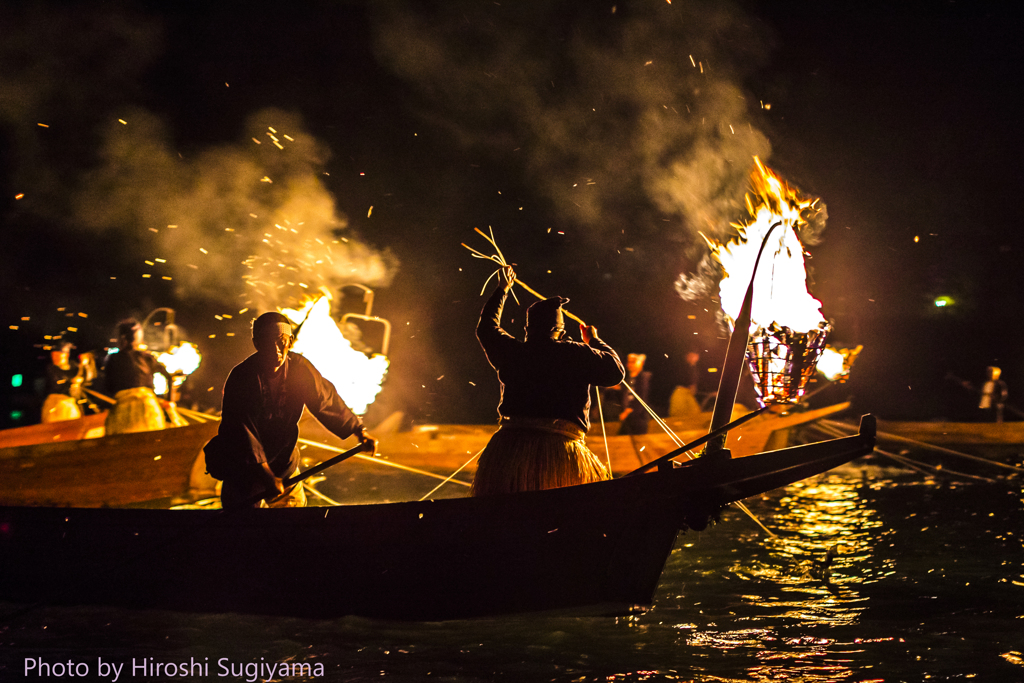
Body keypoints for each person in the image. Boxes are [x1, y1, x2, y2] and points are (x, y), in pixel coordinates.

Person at [472, 265, 625, 496]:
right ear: (560, 331)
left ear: (528, 330)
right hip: (561, 453)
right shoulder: (575, 352)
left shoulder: (514, 352)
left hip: (508, 452)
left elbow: (487, 328)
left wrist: (502, 290)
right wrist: (594, 341)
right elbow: (616, 372)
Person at [203, 311, 378, 510]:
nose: (276, 350)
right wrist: (267, 476)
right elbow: (242, 433)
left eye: (281, 342)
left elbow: (326, 400)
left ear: (291, 341)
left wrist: (359, 430)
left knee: (294, 524)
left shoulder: (300, 369)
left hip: (283, 462)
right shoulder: (242, 378)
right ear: (257, 343)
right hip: (244, 468)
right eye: (268, 342)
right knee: (242, 529)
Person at [103, 319, 179, 434]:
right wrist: (168, 401)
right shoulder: (147, 357)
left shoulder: (112, 359)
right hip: (147, 408)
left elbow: (108, 387)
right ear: (138, 336)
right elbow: (169, 376)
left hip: (122, 411)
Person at [41, 342, 84, 423]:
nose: (54, 358)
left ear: (66, 355)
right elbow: (57, 384)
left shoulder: (74, 366)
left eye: (58, 355)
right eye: (53, 355)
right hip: (55, 404)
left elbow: (84, 376)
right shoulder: (51, 368)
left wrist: (84, 366)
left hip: (70, 403)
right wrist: (72, 382)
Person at [615, 353, 653, 436]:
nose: (630, 364)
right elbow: (624, 390)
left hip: (638, 418)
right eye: (629, 362)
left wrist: (628, 411)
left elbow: (641, 398)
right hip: (629, 418)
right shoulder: (629, 379)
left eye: (633, 362)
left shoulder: (643, 378)